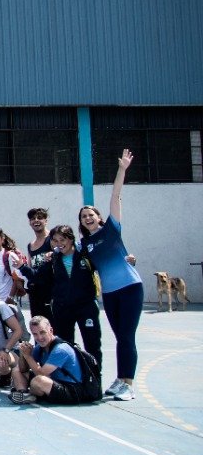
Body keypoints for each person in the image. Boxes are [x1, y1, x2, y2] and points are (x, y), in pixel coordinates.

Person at [79, 149, 142, 401]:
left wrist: (122, 169)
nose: (88, 218)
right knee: (119, 337)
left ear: (99, 217)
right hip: (109, 293)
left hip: (129, 287)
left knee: (127, 336)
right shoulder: (86, 246)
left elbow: (116, 196)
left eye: (91, 214)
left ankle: (129, 383)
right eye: (84, 217)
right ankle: (121, 379)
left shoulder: (112, 231)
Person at [37, 225, 102, 366]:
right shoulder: (53, 259)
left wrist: (127, 261)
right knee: (65, 345)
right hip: (63, 308)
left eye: (63, 239)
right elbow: (37, 278)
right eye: (55, 240)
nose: (59, 243)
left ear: (71, 239)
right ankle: (70, 380)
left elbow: (105, 264)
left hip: (86, 307)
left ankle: (95, 381)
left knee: (92, 345)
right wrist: (22, 268)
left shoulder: (85, 254)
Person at [10, 316, 96, 405]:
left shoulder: (61, 349)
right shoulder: (40, 348)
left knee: (38, 380)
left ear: (51, 331)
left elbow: (42, 374)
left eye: (42, 332)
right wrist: (23, 354)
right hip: (54, 382)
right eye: (35, 334)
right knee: (16, 369)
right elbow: (23, 369)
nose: (39, 337)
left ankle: (32, 395)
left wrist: (28, 356)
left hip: (72, 389)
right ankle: (23, 393)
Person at [23, 207, 55, 322]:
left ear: (46, 221)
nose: (36, 220)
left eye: (40, 218)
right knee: (38, 325)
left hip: (51, 292)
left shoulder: (53, 239)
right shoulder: (30, 245)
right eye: (33, 219)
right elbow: (31, 269)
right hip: (36, 293)